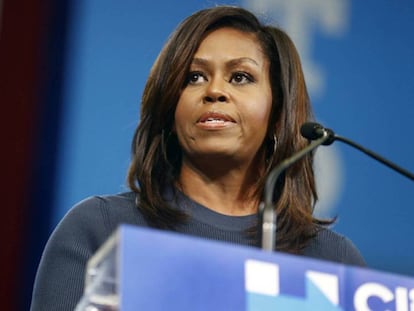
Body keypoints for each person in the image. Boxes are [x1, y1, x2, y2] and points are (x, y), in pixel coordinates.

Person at [30, 5, 365, 311]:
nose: (214, 90)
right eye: (194, 77)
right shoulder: (99, 228)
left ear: (278, 113)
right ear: (170, 110)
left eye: (240, 77)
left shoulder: (333, 261)